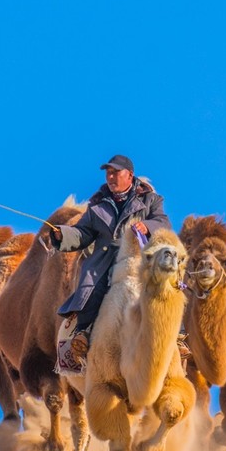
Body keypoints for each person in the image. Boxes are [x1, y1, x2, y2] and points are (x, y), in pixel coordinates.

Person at [50, 154, 172, 373]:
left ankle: (177, 337)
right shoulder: (96, 205)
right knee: (90, 289)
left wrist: (147, 226)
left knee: (166, 286)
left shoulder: (151, 200)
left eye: (115, 172)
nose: (111, 177)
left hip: (139, 257)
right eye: (108, 173)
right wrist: (63, 236)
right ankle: (83, 334)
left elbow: (163, 222)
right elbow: (83, 233)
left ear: (130, 175)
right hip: (105, 261)